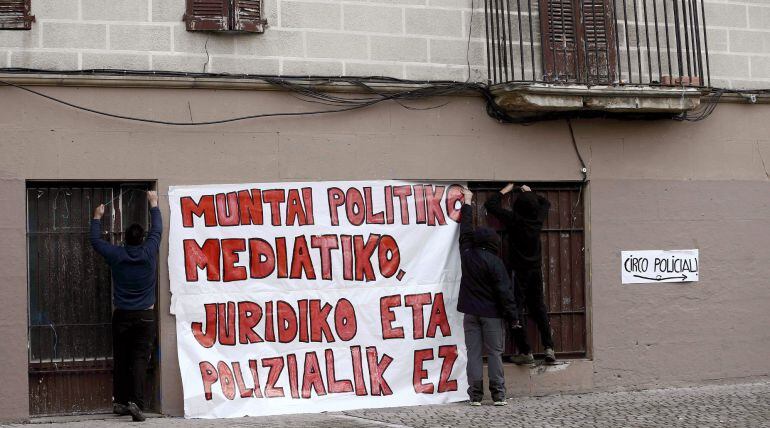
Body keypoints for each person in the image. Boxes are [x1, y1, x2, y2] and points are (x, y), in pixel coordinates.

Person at [90, 191, 162, 422]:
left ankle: (120, 402)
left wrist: (97, 217)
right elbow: (158, 229)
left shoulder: (117, 254)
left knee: (121, 358)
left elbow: (96, 241)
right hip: (146, 316)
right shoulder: (150, 252)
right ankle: (136, 404)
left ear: (125, 239)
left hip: (122, 316)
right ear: (143, 239)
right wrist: (153, 203)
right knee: (140, 359)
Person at [456, 187, 520, 406]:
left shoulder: (467, 255)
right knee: (494, 354)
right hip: (492, 314)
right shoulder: (496, 262)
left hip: (470, 313)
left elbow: (464, 230)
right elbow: (505, 293)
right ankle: (498, 394)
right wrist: (513, 317)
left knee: (473, 353)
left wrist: (467, 201)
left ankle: (475, 395)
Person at [484, 183, 556, 365]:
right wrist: (531, 194)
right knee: (538, 307)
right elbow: (545, 203)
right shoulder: (537, 221)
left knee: (515, 309)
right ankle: (549, 347)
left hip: (519, 272)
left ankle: (525, 351)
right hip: (535, 271)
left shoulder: (514, 220)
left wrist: (505, 190)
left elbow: (490, 205)